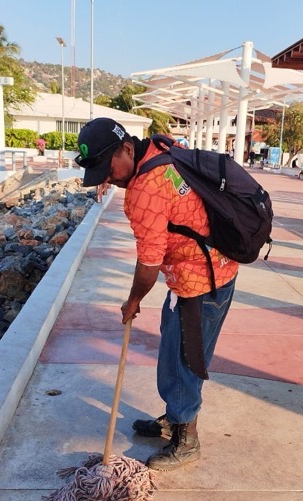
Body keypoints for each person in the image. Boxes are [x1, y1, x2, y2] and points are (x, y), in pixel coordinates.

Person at [75, 118, 238, 470]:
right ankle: (176, 416)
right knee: (180, 350)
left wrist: (133, 301)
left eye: (110, 168)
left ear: (127, 149)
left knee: (182, 361)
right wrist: (111, 173)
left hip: (198, 281)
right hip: (215, 269)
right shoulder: (160, 148)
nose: (111, 177)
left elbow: (148, 263)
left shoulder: (144, 192)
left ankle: (186, 439)